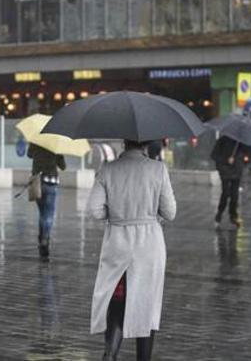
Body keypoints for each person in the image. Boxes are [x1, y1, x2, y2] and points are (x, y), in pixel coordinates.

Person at [87, 140, 177, 361]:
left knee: (117, 302)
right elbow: (170, 212)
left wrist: (116, 212)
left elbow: (96, 210)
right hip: (149, 246)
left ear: (124, 143)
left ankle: (110, 353)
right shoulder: (157, 169)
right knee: (146, 304)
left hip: (118, 244)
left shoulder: (108, 169)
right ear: (145, 143)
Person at [27, 144, 66, 261]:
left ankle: (41, 239)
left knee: (42, 214)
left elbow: (29, 154)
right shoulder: (56, 144)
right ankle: (45, 239)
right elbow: (63, 166)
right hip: (51, 183)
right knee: (48, 215)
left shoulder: (36, 141)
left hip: (37, 183)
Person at [210, 135, 251, 228]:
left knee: (234, 195)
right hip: (225, 170)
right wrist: (226, 160)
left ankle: (233, 216)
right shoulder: (223, 139)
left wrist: (243, 160)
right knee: (225, 193)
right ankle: (219, 213)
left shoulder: (242, 142)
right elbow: (214, 155)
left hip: (236, 170)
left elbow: (248, 155)